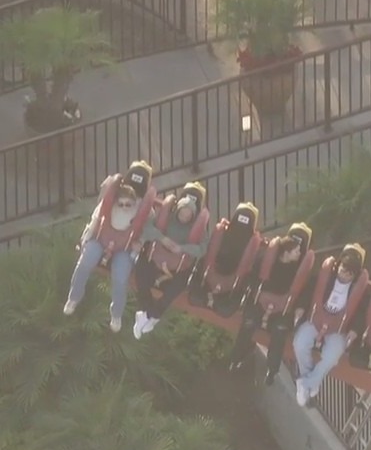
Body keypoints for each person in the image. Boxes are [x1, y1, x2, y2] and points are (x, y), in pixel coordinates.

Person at [64, 164, 154, 332]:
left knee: (120, 279)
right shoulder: (111, 197)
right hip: (101, 240)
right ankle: (74, 297)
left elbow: (148, 231)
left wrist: (139, 246)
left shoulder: (146, 210)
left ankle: (116, 314)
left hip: (124, 249)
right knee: (84, 262)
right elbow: (96, 218)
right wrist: (86, 238)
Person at [227, 225, 313, 385]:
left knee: (279, 331)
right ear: (287, 251)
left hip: (284, 307)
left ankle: (271, 370)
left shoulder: (302, 269)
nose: (299, 254)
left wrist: (300, 308)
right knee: (249, 322)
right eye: (296, 250)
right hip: (260, 300)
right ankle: (236, 358)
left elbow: (306, 292)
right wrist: (251, 291)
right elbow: (252, 276)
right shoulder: (266, 257)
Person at [293, 245, 368, 407]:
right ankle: (311, 382)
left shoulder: (359, 290)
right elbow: (308, 292)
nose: (344, 275)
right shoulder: (324, 277)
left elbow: (362, 313)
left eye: (349, 274)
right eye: (343, 269)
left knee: (332, 356)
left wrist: (355, 330)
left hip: (337, 329)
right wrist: (300, 307)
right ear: (338, 265)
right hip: (316, 320)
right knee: (299, 344)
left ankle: (304, 384)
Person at [133, 185, 211, 339]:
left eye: (189, 214)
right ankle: (149, 314)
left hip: (177, 267)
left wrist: (182, 248)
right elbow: (147, 229)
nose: (185, 215)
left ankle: (152, 315)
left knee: (177, 287)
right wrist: (162, 238)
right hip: (155, 259)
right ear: (178, 208)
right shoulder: (166, 215)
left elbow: (202, 250)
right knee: (140, 273)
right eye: (183, 211)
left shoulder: (199, 228)